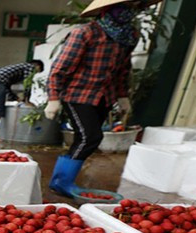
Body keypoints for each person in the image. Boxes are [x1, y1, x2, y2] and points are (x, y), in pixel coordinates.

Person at [45, 0, 160, 196]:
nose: (128, 11)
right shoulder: (86, 33)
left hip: (104, 97)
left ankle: (62, 181)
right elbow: (60, 68)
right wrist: (53, 98)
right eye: (123, 7)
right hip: (78, 94)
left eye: (133, 8)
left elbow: (123, 69)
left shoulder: (130, 35)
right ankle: (61, 182)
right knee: (90, 137)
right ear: (107, 9)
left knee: (85, 139)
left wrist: (123, 96)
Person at [0, 60, 44, 142]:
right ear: (38, 66)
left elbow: (6, 86)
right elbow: (27, 84)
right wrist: (27, 100)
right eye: (37, 72)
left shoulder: (17, 67)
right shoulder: (30, 67)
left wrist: (16, 98)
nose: (34, 74)